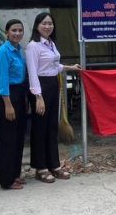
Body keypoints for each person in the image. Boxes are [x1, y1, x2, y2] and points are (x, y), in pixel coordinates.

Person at [25, 12, 81, 183]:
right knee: (40, 128)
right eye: (44, 23)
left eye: (50, 23)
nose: (48, 26)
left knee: (52, 127)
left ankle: (54, 165)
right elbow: (33, 72)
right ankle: (40, 167)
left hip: (53, 86)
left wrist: (70, 67)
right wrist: (38, 96)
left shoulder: (50, 44)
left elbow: (54, 66)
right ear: (37, 26)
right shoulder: (33, 46)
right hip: (39, 88)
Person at [0, 19, 29, 189]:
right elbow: (2, 81)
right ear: (6, 32)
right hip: (7, 97)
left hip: (19, 94)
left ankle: (15, 174)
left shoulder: (20, 50)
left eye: (20, 30)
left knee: (18, 138)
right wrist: (8, 105)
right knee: (7, 139)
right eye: (13, 30)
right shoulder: (3, 51)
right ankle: (6, 180)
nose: (17, 33)